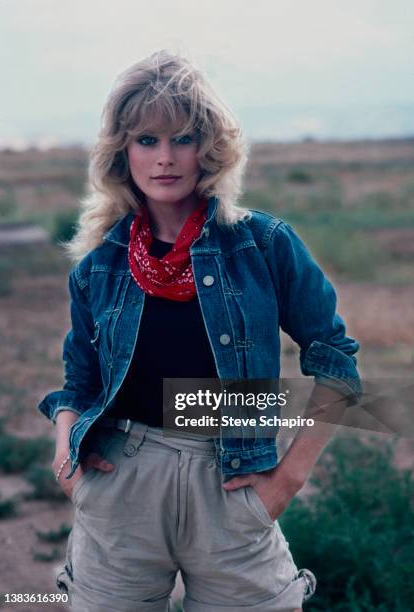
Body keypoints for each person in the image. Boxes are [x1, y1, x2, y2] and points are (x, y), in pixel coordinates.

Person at [38, 49, 361, 612]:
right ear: (122, 153)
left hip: (234, 485)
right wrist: (67, 456)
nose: (165, 158)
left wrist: (289, 479)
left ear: (208, 150)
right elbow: (79, 379)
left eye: (182, 138)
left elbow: (335, 357)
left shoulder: (263, 245)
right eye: (146, 140)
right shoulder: (99, 266)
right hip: (123, 484)